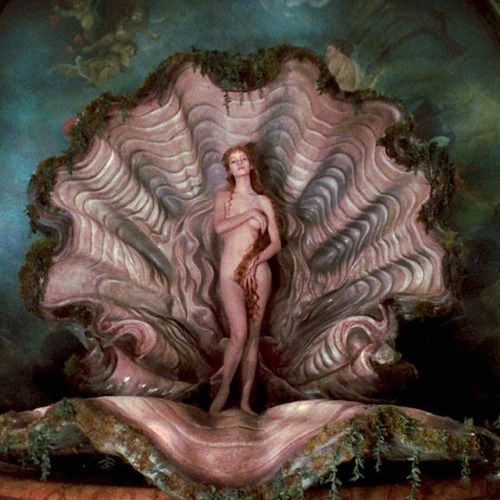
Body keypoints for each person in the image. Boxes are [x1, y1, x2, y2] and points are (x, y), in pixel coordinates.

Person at [209, 145, 281, 415]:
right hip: (230, 272)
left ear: (251, 165)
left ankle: (246, 401)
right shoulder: (223, 197)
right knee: (238, 334)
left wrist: (256, 261)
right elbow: (220, 227)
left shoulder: (263, 201)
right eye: (233, 161)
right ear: (229, 169)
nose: (239, 164)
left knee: (253, 336)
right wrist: (250, 214)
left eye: (243, 159)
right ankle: (224, 391)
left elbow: (276, 243)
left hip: (258, 272)